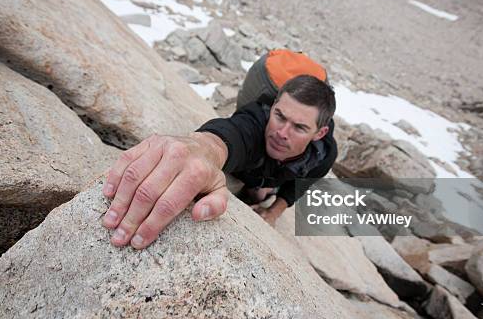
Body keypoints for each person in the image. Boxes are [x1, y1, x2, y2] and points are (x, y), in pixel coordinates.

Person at [101, 75, 337, 249]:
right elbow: (230, 135)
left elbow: (300, 185)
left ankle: (262, 190)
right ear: (273, 106)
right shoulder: (255, 121)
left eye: (299, 127)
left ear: (319, 133)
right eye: (280, 116)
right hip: (249, 168)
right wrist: (202, 149)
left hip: (277, 176)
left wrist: (273, 212)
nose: (282, 133)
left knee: (262, 196)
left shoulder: (324, 155)